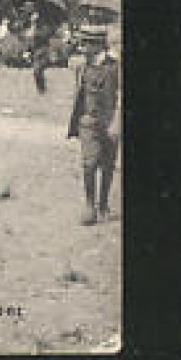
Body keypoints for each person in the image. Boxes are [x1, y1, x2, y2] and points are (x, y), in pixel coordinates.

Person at [66, 26, 120, 225]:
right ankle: (90, 205)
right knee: (88, 164)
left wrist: (116, 123)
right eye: (82, 42)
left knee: (107, 165)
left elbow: (121, 95)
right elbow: (78, 93)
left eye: (86, 43)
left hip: (110, 122)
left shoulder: (115, 66)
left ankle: (103, 204)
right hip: (87, 121)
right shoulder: (82, 66)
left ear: (98, 45)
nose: (82, 47)